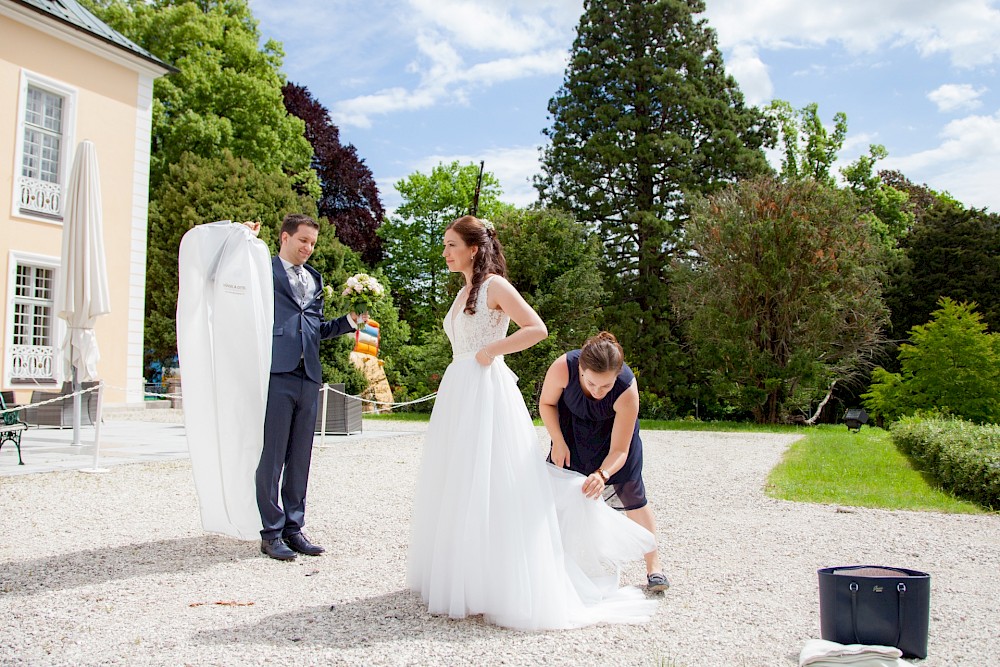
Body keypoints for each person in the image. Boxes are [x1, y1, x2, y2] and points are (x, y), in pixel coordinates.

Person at [406, 215, 658, 630]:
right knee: (461, 480)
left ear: (474, 248)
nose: (446, 252)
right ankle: (467, 577)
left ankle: (500, 581)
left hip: (485, 387)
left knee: (491, 482)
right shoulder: (464, 289)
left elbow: (535, 328)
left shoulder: (495, 285)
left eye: (452, 245)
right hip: (459, 389)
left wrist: (491, 350)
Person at [254, 214, 365, 561]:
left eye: (313, 243)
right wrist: (240, 237)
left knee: (301, 457)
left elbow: (315, 327)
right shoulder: (261, 270)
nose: (308, 248)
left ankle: (293, 528)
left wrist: (348, 322)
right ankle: (270, 533)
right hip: (276, 372)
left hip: (309, 375)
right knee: (272, 458)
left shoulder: (314, 278)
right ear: (285, 237)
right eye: (303, 240)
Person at [538, 331, 670, 592]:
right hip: (571, 433)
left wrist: (603, 474)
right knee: (555, 497)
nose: (598, 391)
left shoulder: (627, 390)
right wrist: (558, 440)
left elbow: (620, 450)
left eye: (606, 386)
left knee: (632, 494)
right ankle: (550, 563)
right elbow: (546, 403)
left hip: (613, 439)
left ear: (617, 376)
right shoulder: (562, 368)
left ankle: (654, 567)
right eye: (591, 383)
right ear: (581, 370)